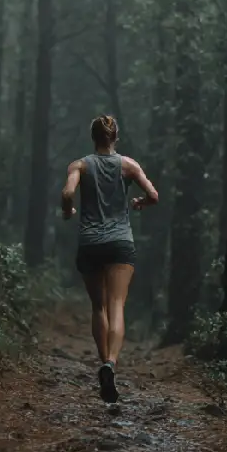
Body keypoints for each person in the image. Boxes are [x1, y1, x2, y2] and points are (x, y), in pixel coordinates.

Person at [59, 115, 159, 404]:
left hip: (90, 243)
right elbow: (153, 194)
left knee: (98, 306)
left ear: (93, 137)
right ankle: (111, 364)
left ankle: (104, 365)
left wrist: (68, 211)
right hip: (119, 243)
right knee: (117, 305)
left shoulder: (79, 165)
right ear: (116, 137)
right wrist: (140, 203)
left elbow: (68, 192)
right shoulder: (128, 166)